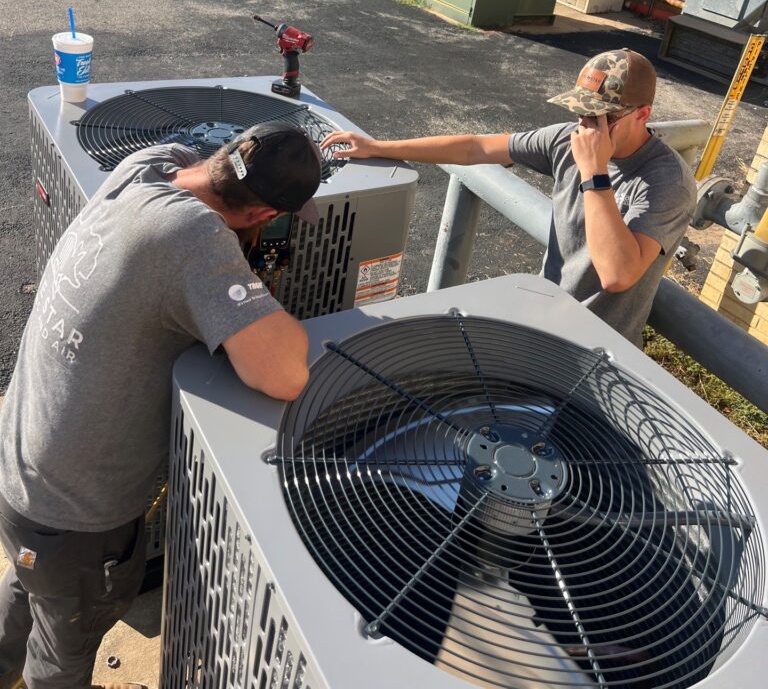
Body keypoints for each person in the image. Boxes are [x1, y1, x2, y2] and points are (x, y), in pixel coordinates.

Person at [0, 121, 322, 689]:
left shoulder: (146, 167)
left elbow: (191, 167)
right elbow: (286, 374)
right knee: (65, 644)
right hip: (76, 512)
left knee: (34, 581)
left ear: (225, 153)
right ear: (260, 216)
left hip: (20, 468)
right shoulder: (195, 240)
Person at [322, 48, 696, 347]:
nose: (585, 128)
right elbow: (477, 148)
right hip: (543, 323)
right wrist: (376, 146)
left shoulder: (666, 182)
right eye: (581, 113)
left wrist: (594, 172)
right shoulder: (569, 139)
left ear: (642, 115)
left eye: (600, 118)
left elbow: (617, 274)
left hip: (599, 350)